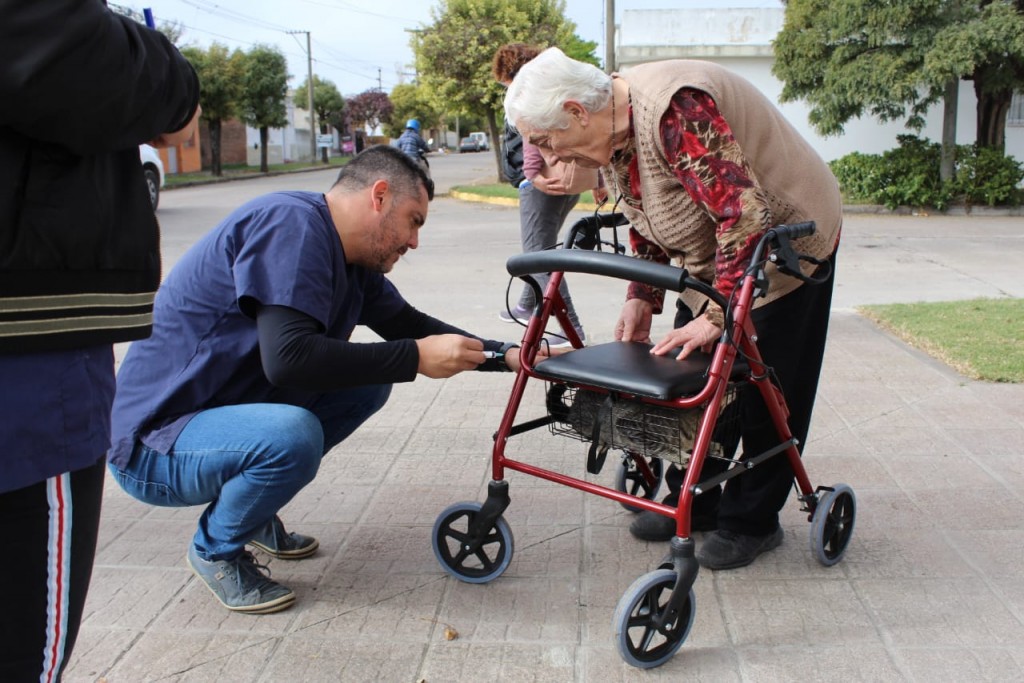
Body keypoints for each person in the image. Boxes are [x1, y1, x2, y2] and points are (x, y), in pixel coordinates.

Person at [106, 145, 527, 615]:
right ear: (380, 196)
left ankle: (253, 511)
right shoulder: (291, 225)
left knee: (368, 383)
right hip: (155, 443)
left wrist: (512, 355)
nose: (414, 242)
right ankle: (215, 549)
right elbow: (288, 361)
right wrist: (413, 358)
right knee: (293, 435)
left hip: (213, 420)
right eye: (414, 220)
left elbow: (409, 324)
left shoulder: (351, 259)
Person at [505, 48, 842, 570]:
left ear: (576, 111)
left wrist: (717, 316)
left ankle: (752, 519)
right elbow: (646, 208)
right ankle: (701, 502)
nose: (549, 156)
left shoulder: (677, 110)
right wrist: (643, 297)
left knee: (763, 382)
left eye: (548, 141)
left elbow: (746, 214)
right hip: (719, 251)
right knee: (693, 377)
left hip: (786, 243)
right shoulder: (611, 129)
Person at [0, 1, 200, 679]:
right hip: (28, 344)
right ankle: (228, 539)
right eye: (411, 222)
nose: (413, 242)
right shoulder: (291, 235)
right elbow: (97, 65)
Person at [491, 43, 606, 348]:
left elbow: (532, 140)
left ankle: (574, 328)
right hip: (569, 183)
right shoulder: (558, 85)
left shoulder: (529, 91)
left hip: (542, 184)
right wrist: (598, 178)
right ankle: (526, 306)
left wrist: (532, 175)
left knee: (538, 258)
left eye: (505, 80)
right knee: (540, 249)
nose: (506, 87)